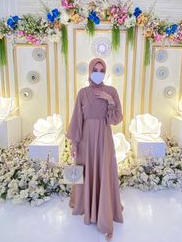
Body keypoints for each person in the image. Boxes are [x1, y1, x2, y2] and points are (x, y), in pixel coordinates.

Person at [66, 57, 124, 241]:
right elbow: (77, 119)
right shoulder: (82, 93)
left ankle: (104, 213)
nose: (98, 73)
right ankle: (84, 205)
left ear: (105, 72)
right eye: (95, 70)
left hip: (104, 140)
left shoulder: (111, 91)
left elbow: (116, 119)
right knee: (83, 171)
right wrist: (74, 144)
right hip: (85, 140)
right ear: (89, 71)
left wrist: (110, 101)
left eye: (101, 70)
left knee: (104, 171)